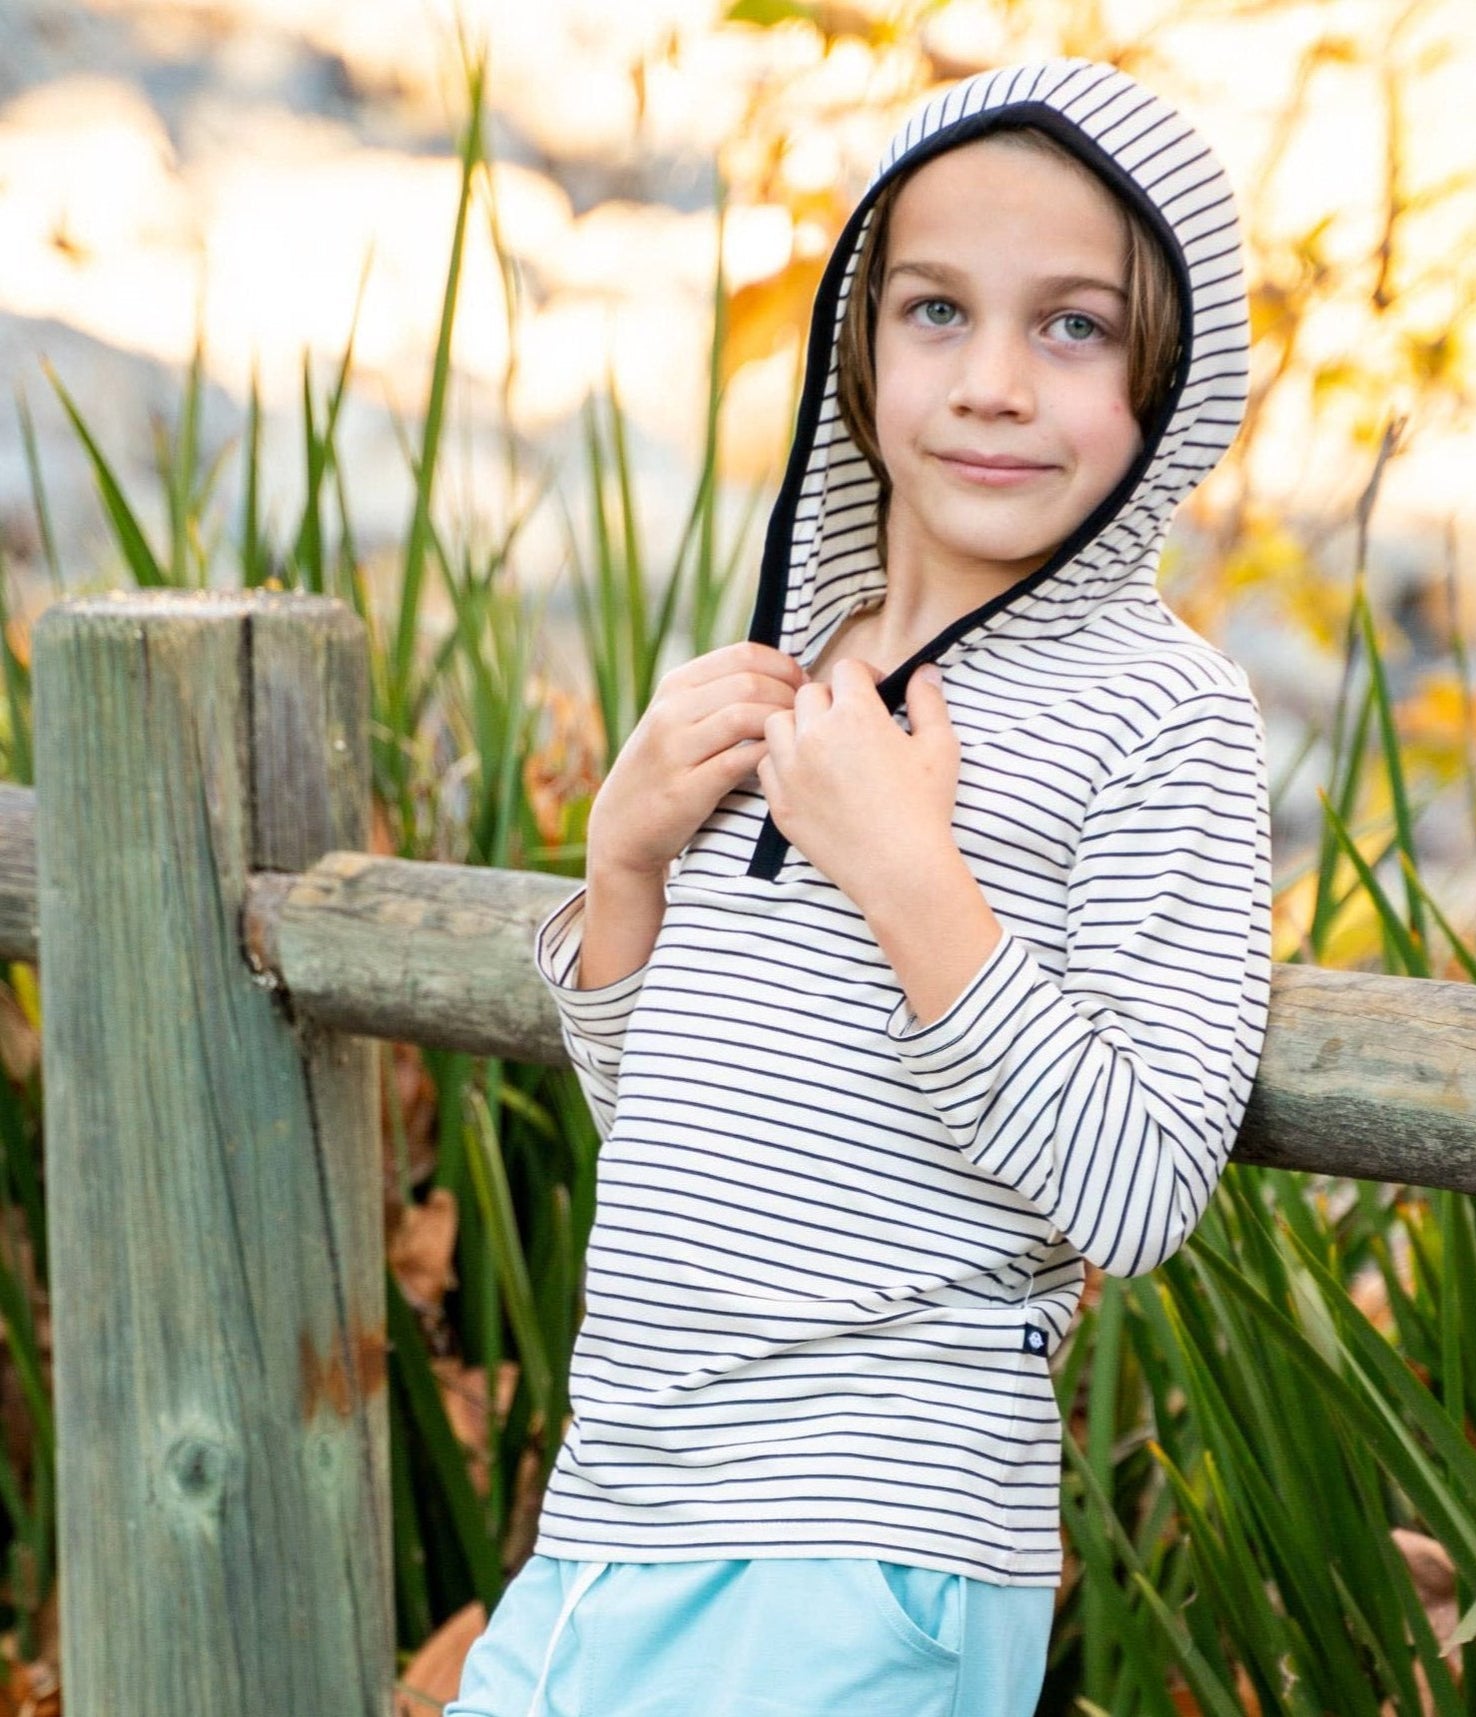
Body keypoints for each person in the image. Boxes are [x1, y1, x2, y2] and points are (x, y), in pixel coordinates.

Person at [447, 53, 1271, 1717]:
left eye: (1073, 326)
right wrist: (624, 864)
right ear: (856, 342)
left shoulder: (1163, 714)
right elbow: (705, 1135)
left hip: (863, 1543)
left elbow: (1139, 1185)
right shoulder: (797, 675)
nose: (988, 383)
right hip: (616, 1516)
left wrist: (909, 874)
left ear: (1174, 375)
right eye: (934, 311)